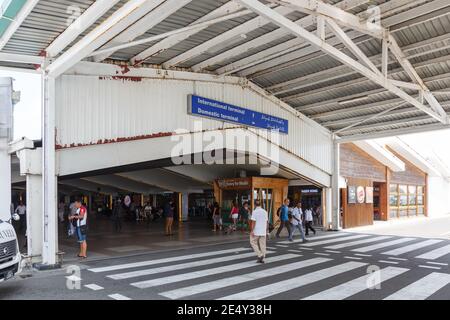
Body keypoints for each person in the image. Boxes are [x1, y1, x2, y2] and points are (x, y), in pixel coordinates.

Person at [250, 200, 269, 264]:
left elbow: (253, 222)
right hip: (263, 230)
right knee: (263, 244)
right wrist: (266, 230)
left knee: (252, 242)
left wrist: (252, 230)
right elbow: (266, 222)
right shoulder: (265, 211)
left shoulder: (254, 212)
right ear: (260, 204)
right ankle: (262, 258)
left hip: (256, 230)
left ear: (255, 205)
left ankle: (260, 255)